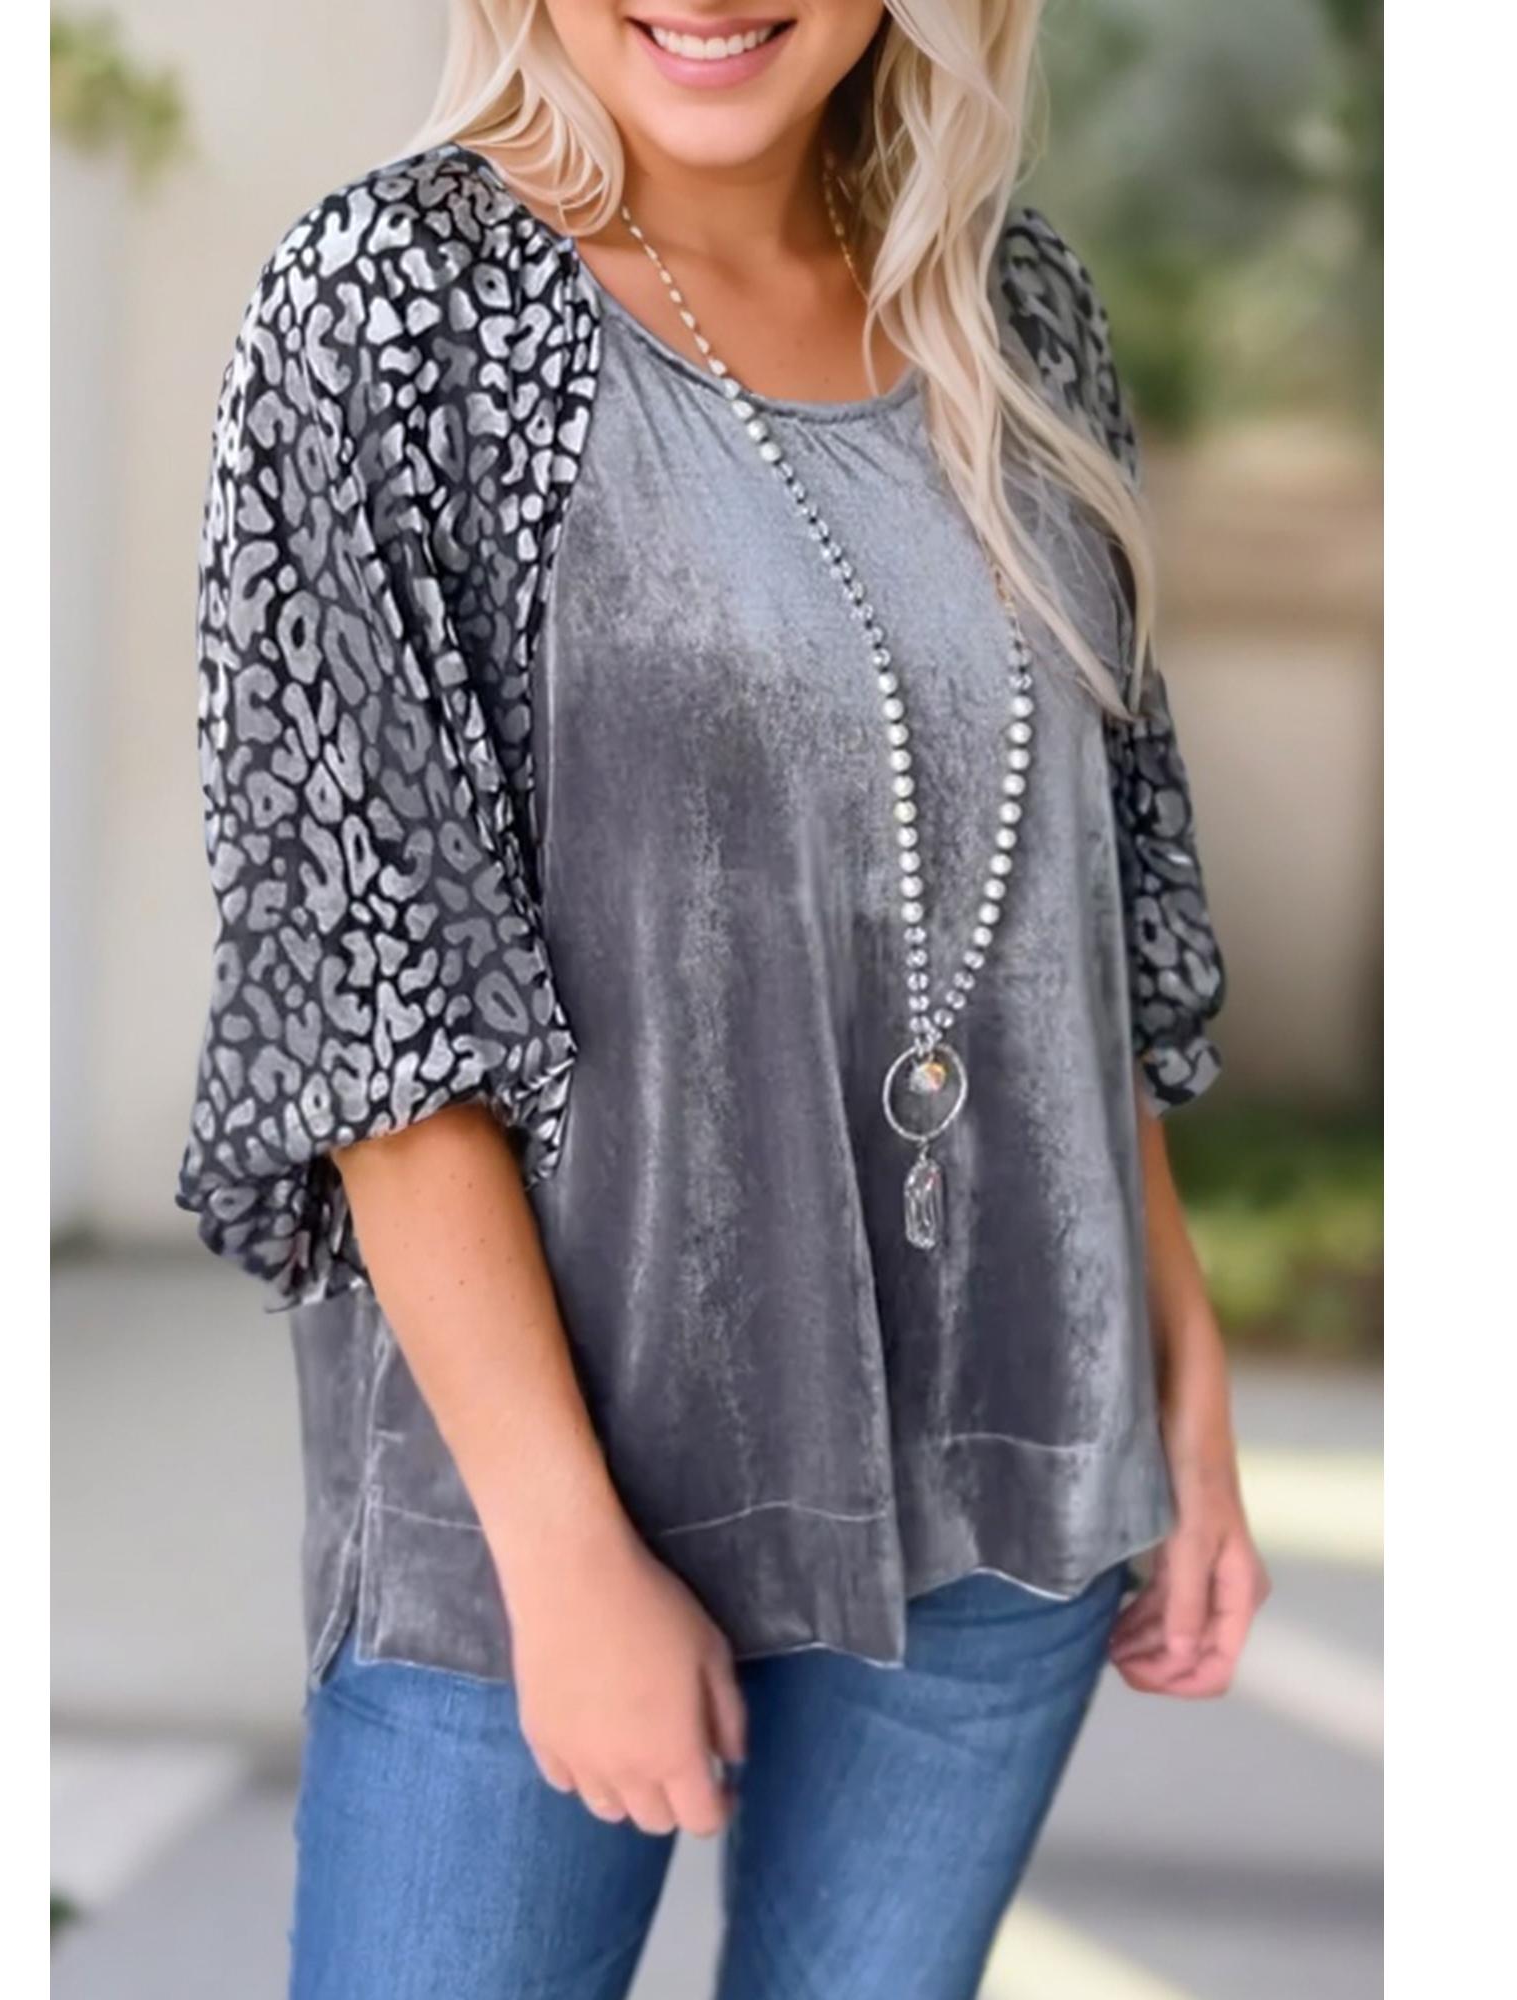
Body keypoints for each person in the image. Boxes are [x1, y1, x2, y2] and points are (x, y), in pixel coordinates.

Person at [175, 4, 1271, 1994]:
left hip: (1007, 1467)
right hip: (543, 1516)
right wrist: (561, 1547)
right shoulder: (392, 304)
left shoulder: (1010, 307)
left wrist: (1178, 1394)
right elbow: (367, 989)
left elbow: (1095, 899)